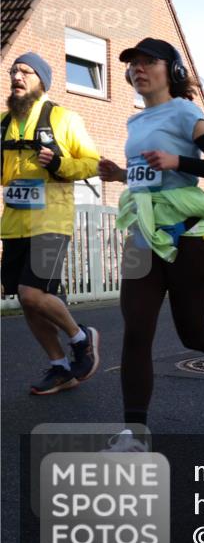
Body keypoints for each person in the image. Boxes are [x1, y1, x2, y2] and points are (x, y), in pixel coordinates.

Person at [98, 38, 204, 449]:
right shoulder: (135, 123)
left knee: (192, 333)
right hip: (143, 235)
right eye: (132, 64)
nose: (137, 68)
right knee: (136, 331)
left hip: (187, 235)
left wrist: (178, 161)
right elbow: (149, 178)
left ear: (171, 70)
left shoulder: (187, 112)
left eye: (147, 61)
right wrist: (121, 174)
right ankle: (135, 435)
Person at [2, 51, 101, 395]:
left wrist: (60, 163)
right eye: (14, 71)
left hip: (51, 220)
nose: (17, 76)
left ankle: (81, 337)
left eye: (26, 71)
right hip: (15, 223)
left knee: (33, 292)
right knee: (27, 300)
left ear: (41, 80)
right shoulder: (3, 123)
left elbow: (91, 163)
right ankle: (60, 366)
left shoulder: (64, 118)